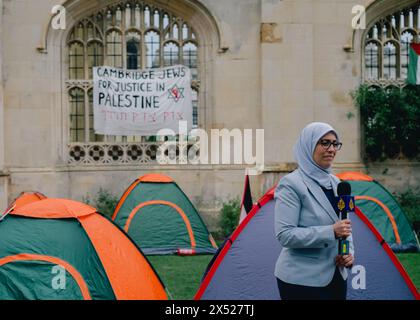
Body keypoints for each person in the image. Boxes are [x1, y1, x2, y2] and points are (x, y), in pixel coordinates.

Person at [274, 122, 354, 300]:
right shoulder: (291, 184)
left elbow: (345, 226)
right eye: (324, 142)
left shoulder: (337, 184)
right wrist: (330, 231)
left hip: (337, 277)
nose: (331, 149)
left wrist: (349, 255)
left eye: (335, 144)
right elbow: (285, 235)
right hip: (301, 281)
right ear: (308, 145)